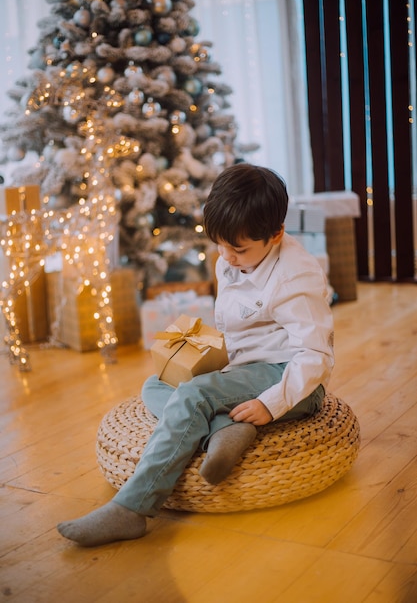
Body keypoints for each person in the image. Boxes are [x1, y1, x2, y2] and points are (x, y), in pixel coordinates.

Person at [57, 163, 334, 547]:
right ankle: (224, 428)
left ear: (276, 235)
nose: (227, 256)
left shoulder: (294, 278)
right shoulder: (232, 258)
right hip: (247, 369)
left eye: (238, 249)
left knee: (192, 395)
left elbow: (316, 354)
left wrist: (271, 404)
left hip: (289, 377)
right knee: (156, 384)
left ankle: (132, 508)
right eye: (219, 244)